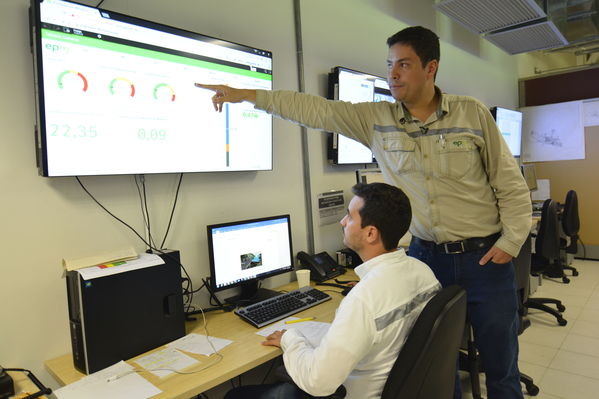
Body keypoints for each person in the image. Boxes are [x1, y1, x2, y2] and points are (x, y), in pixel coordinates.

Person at [198, 26, 531, 398]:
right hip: (426, 255)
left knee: (501, 366)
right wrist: (248, 95)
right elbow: (316, 110)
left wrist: (512, 241)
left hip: (484, 256)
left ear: (431, 67)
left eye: (404, 65)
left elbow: (509, 183)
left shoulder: (471, 114)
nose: (393, 74)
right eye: (390, 65)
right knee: (437, 363)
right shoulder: (376, 119)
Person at [225, 183, 441, 399]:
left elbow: (317, 383)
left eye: (349, 216)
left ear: (371, 233)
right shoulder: (423, 272)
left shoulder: (364, 299)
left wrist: (290, 339)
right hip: (400, 387)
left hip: (358, 393)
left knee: (236, 395)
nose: (342, 222)